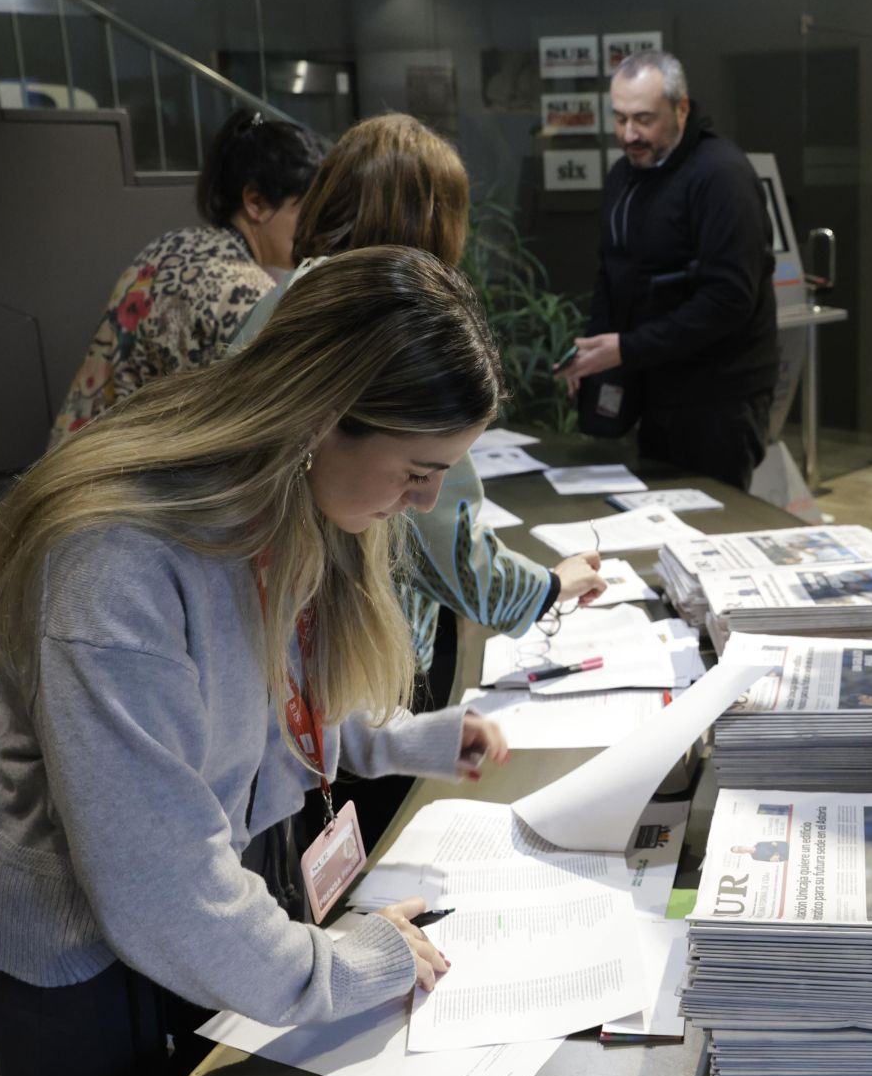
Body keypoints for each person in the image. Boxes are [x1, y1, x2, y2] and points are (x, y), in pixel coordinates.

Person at [0, 246, 516, 1076]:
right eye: (419, 470)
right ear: (325, 417)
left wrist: (410, 738)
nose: (423, 500)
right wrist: (350, 964)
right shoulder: (120, 560)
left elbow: (276, 697)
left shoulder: (284, 497)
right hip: (82, 970)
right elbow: (157, 886)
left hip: (209, 922)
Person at [234, 113, 606, 689]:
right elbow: (444, 546)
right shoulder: (390, 330)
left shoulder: (291, 295)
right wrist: (548, 588)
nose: (424, 494)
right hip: (354, 667)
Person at [558, 50, 778, 491]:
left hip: (718, 396)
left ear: (681, 108)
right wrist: (594, 353)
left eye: (644, 119)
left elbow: (729, 300)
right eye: (619, 119)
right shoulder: (625, 176)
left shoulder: (722, 175)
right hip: (650, 386)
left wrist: (626, 348)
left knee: (712, 521)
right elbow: (611, 273)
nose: (629, 134)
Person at [50, 108, 327, 443]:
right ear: (255, 202)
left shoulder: (171, 244)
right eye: (306, 212)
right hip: (131, 479)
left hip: (79, 457)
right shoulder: (247, 293)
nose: (314, 229)